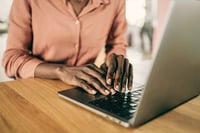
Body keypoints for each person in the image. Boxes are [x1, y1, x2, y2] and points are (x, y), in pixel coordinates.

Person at [2, 0, 133, 95]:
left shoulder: (116, 2)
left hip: (84, 92)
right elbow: (11, 59)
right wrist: (60, 71)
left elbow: (117, 45)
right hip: (37, 91)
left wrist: (115, 60)